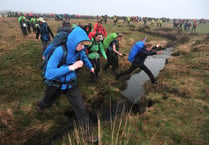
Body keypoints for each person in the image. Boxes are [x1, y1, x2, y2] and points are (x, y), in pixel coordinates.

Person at [37, 27, 96, 139]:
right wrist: (72, 67)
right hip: (55, 84)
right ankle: (41, 106)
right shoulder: (60, 51)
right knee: (47, 101)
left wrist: (90, 67)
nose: (83, 47)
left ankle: (88, 135)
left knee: (81, 110)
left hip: (71, 85)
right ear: (74, 41)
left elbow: (84, 58)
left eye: (84, 45)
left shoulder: (80, 51)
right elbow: (49, 73)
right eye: (81, 44)